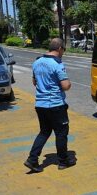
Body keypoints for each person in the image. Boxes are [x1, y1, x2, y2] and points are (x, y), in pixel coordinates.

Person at [24, 38, 75, 173]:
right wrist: (68, 83)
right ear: (59, 49)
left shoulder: (37, 62)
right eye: (63, 50)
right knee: (61, 133)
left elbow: (35, 82)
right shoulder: (57, 64)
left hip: (40, 104)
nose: (63, 52)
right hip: (56, 104)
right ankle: (63, 161)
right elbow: (65, 85)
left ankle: (32, 159)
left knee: (44, 132)